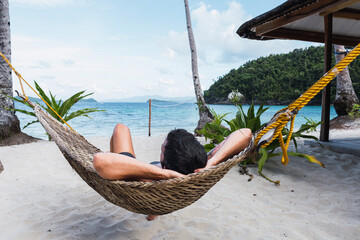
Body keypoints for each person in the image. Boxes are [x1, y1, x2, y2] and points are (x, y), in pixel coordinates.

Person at [93, 123, 252, 220]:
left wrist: (165, 174)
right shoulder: (198, 166)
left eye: (162, 148)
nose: (161, 148)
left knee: (120, 128)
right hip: (164, 191)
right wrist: (212, 161)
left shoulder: (147, 180)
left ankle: (152, 210)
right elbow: (246, 133)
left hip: (133, 170)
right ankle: (154, 211)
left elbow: (100, 161)